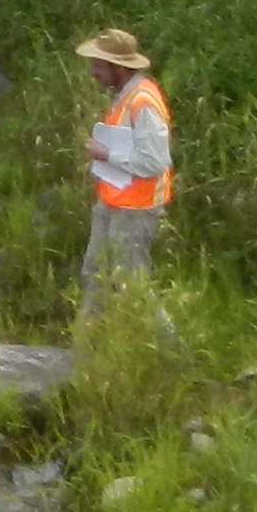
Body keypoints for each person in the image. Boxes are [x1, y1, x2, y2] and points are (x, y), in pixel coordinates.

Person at [76, 27, 170, 309]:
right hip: (112, 201)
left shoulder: (143, 103)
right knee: (94, 275)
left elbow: (156, 162)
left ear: (119, 68)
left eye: (99, 66)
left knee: (132, 285)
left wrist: (106, 153)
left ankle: (172, 351)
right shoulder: (123, 94)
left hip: (136, 210)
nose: (94, 72)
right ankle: (87, 345)